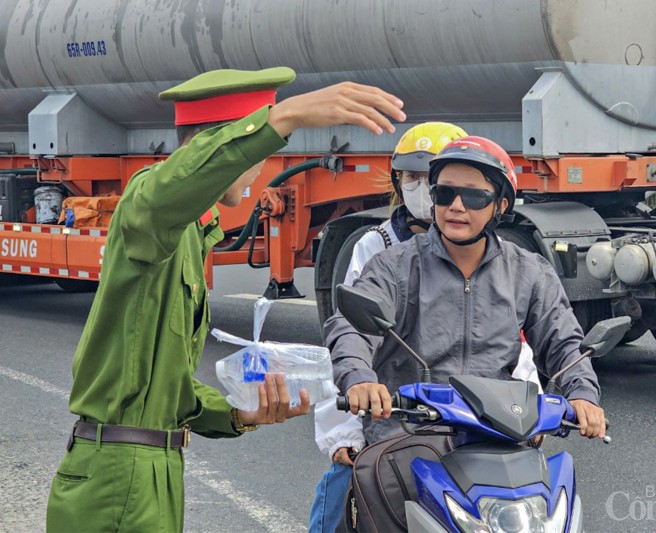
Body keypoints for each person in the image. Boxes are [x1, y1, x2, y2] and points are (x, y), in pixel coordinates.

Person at [45, 67, 406, 532]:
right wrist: (286, 116)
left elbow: (165, 386)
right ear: (221, 150)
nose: (260, 170)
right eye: (256, 152)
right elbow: (165, 192)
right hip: (117, 476)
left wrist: (236, 413)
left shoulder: (191, 236)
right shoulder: (149, 209)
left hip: (150, 468)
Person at [324, 136, 605, 447]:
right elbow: (350, 325)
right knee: (346, 481)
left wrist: (582, 394)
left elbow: (563, 339)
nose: (456, 206)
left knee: (557, 492)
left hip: (497, 435)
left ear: (500, 206)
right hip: (406, 437)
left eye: (474, 197)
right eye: (445, 194)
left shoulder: (529, 272)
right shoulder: (394, 266)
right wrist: (359, 378)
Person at [308, 122, 472, 532]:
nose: (420, 188)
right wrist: (344, 430)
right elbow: (349, 332)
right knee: (342, 486)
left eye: (429, 177)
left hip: (467, 415)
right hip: (388, 407)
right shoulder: (376, 246)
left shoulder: (488, 254)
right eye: (411, 177)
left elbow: (515, 340)